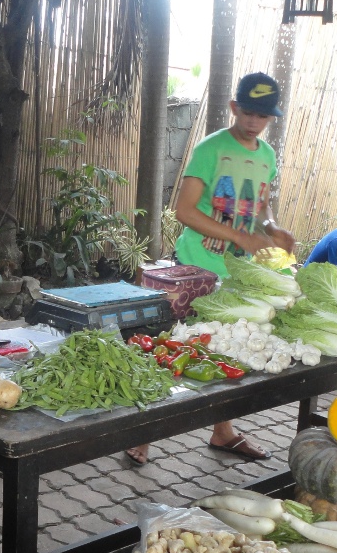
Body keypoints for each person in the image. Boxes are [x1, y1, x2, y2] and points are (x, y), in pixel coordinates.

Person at [125, 72, 295, 466]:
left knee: (226, 352)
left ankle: (223, 432)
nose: (254, 121)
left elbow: (260, 207)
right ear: (234, 108)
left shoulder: (267, 156)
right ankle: (145, 434)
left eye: (263, 116)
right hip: (196, 269)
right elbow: (183, 211)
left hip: (239, 272)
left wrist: (272, 228)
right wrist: (240, 237)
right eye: (248, 112)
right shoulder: (210, 149)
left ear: (272, 118)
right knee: (173, 350)